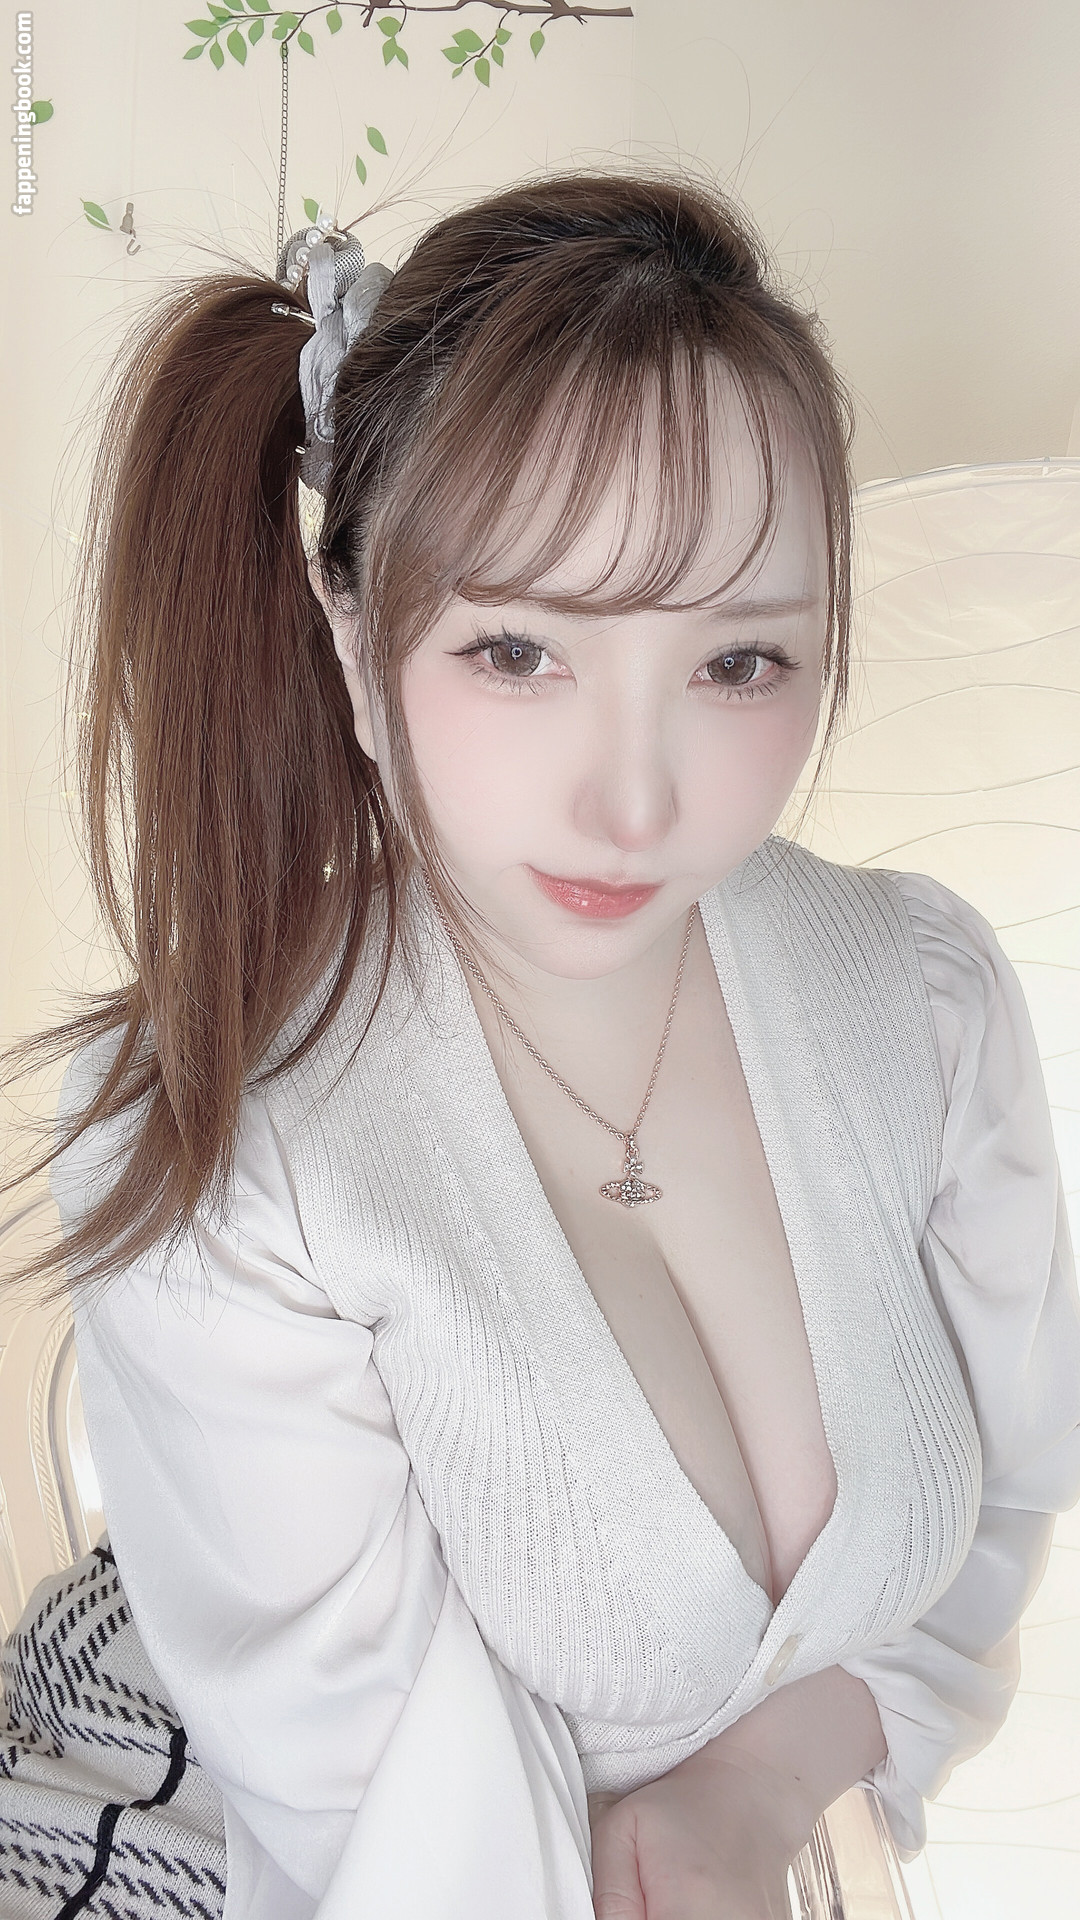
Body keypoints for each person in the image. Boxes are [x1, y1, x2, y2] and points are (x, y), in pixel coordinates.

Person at [1, 169, 1079, 1920]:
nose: (633, 800)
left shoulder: (926, 999)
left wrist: (763, 1781)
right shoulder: (229, 1133)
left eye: (740, 664)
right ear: (357, 637)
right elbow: (390, 1838)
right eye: (516, 650)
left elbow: (1007, 1502)